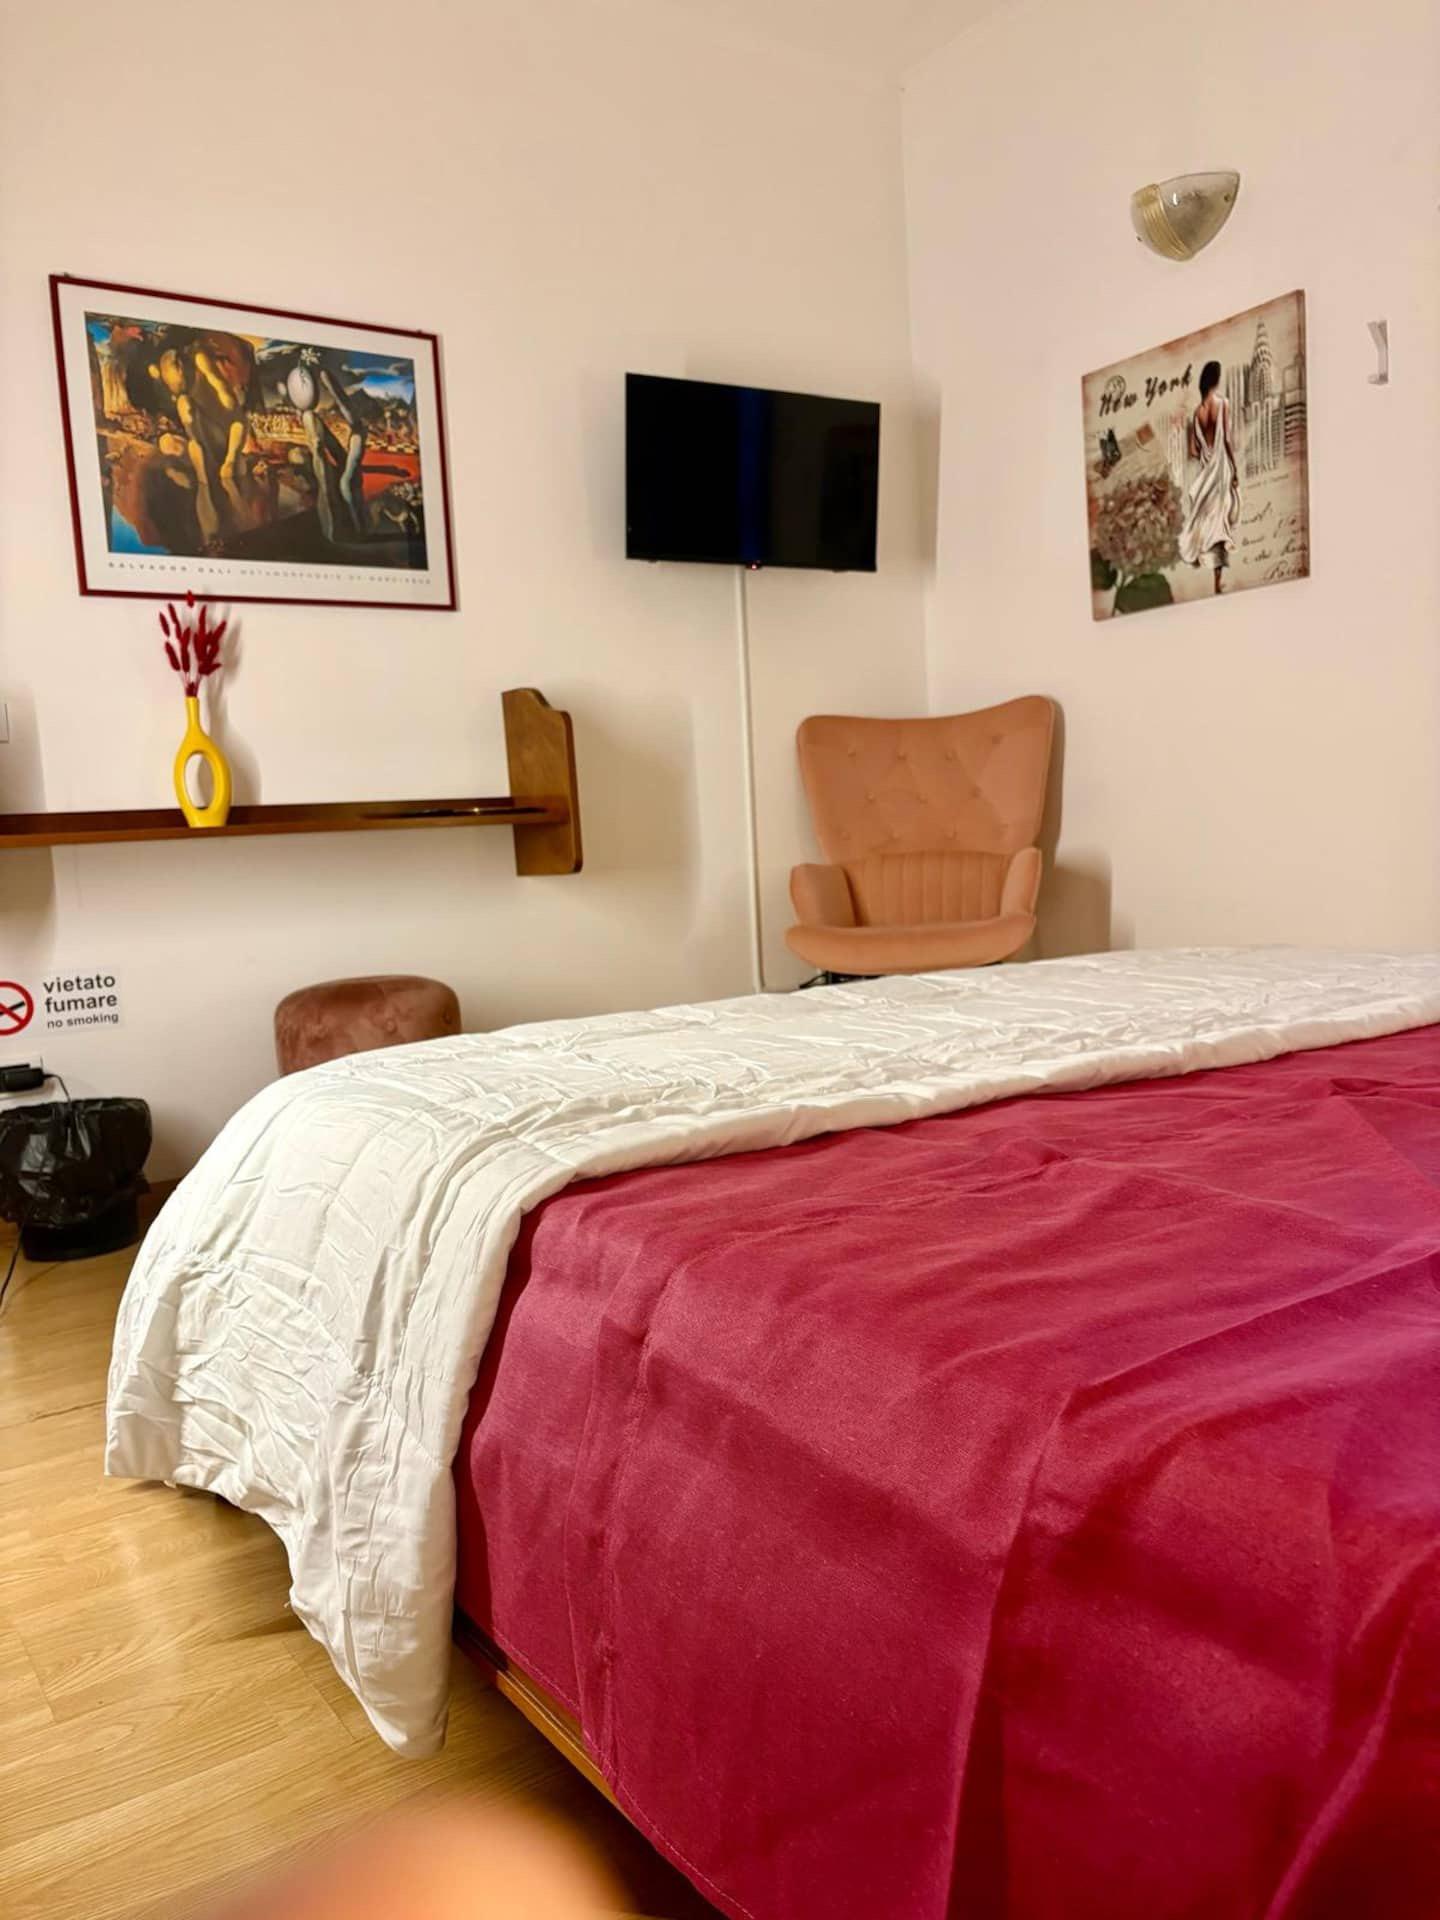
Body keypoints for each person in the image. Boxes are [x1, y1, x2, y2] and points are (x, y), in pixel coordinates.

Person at [1178, 359, 1239, 593]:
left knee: (1213, 523)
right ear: (1216, 379)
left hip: (1206, 472)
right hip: (1221, 470)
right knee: (1220, 522)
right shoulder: (1222, 403)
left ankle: (1216, 581)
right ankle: (1217, 582)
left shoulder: (1197, 413)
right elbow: (1227, 440)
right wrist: (1234, 468)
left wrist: (1206, 450)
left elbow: (1194, 451)